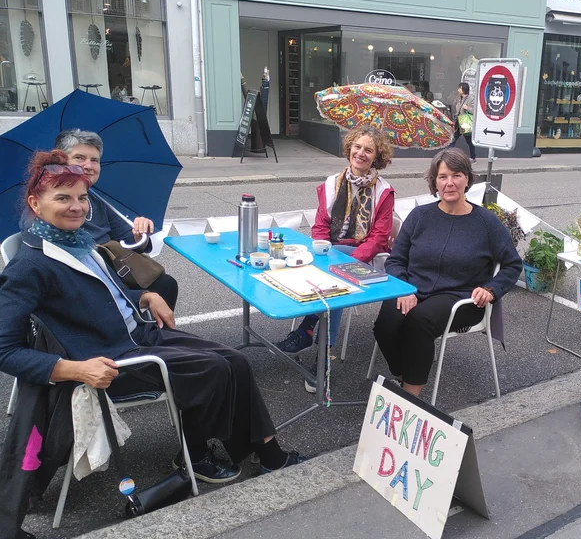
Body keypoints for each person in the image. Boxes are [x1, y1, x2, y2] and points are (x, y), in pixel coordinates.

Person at [0, 150, 305, 484]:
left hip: (137, 334)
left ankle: (266, 455)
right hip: (110, 357)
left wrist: (143, 295)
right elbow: (6, 350)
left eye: (82, 197)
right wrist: (73, 369)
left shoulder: (77, 243)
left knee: (236, 360)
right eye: (63, 198)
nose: (77, 206)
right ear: (35, 203)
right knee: (214, 370)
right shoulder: (30, 265)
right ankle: (196, 455)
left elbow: (98, 296)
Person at [372, 149, 522, 397]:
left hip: (459, 296)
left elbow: (512, 265)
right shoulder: (420, 216)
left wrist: (490, 290)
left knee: (418, 322)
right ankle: (403, 371)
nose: (449, 183)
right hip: (413, 287)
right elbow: (397, 259)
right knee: (386, 324)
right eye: (442, 177)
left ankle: (409, 398)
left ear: (467, 179)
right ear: (434, 182)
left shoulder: (486, 222)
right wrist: (405, 288)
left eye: (456, 175)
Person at [276, 126, 395, 392]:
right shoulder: (332, 183)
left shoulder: (384, 191)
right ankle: (319, 348)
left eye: (368, 149)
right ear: (349, 148)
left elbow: (378, 237)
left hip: (365, 257)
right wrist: (324, 250)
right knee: (333, 281)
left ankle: (308, 332)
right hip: (331, 253)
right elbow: (320, 225)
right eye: (357, 147)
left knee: (338, 275)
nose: (361, 153)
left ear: (377, 156)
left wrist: (339, 260)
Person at [19, 129, 180, 310]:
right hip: (81, 275)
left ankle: (154, 333)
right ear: (62, 162)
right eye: (80, 158)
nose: (89, 165)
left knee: (165, 285)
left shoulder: (98, 199)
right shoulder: (46, 202)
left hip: (113, 268)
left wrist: (139, 234)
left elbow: (130, 242)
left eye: (94, 160)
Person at [448, 82, 476, 163]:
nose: (458, 90)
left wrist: (467, 108)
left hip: (465, 122)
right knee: (453, 139)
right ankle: (449, 157)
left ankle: (473, 157)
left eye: (459, 88)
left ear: (463, 89)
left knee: (469, 141)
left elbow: (474, 111)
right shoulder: (458, 98)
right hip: (458, 122)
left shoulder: (471, 99)